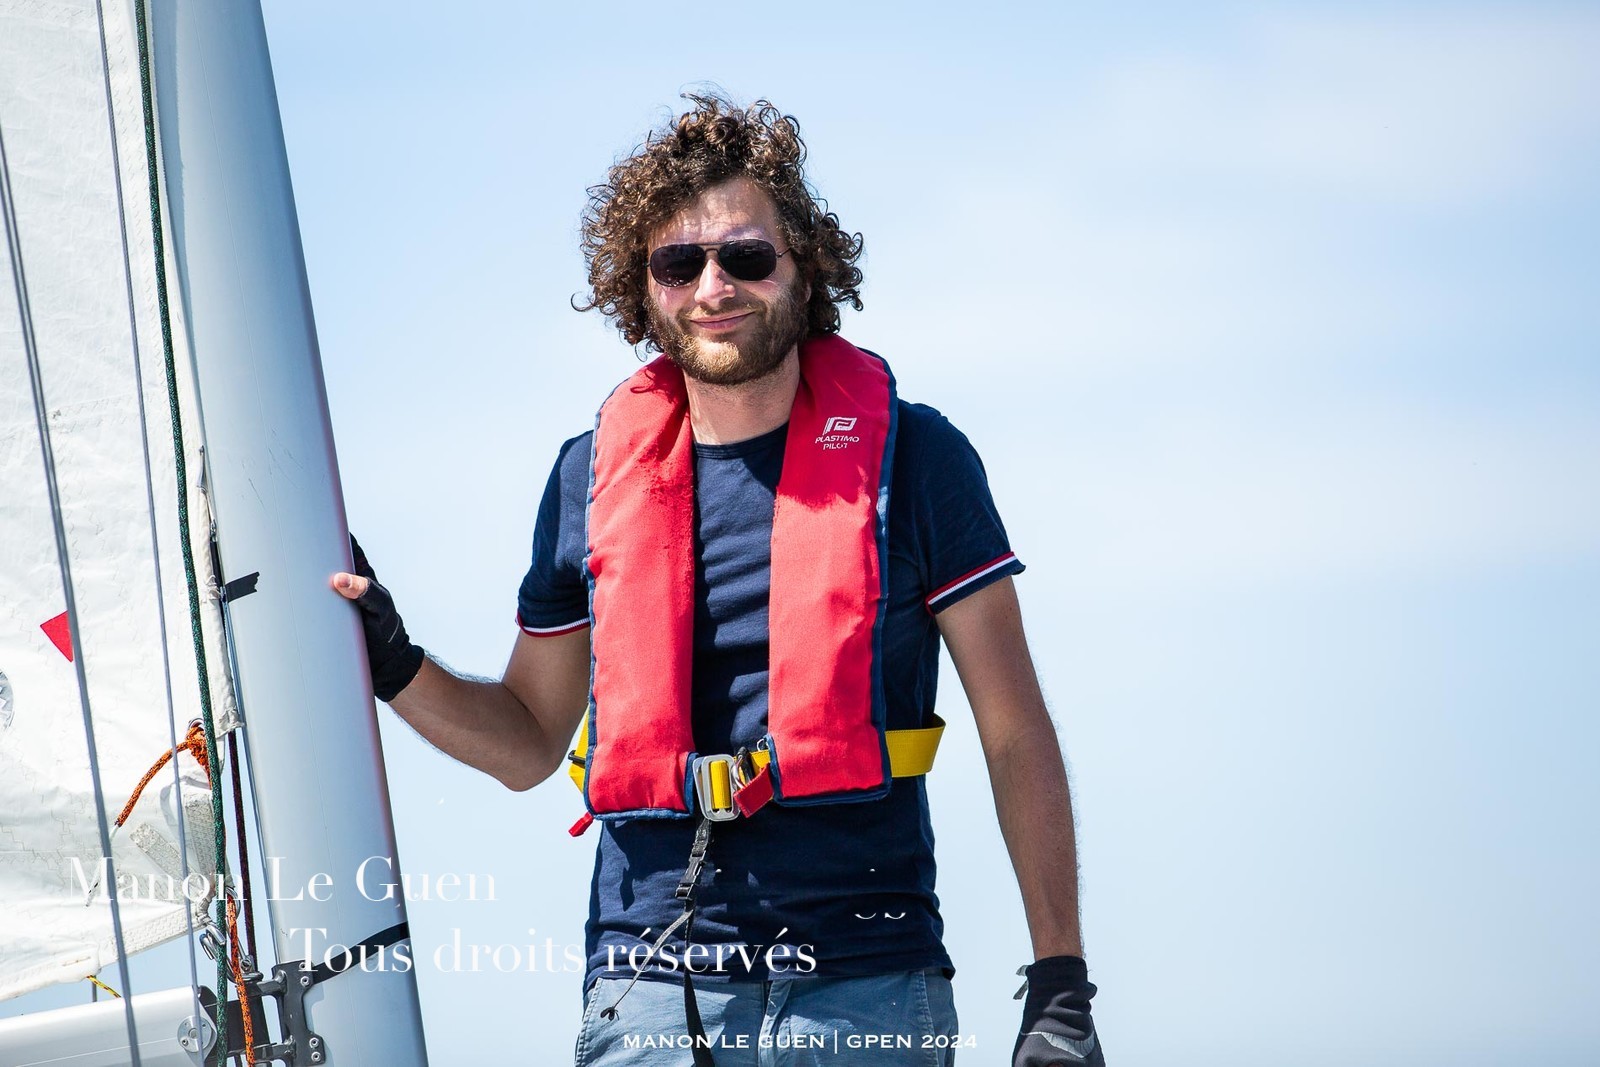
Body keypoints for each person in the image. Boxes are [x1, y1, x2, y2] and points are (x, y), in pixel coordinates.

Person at [333, 94, 1104, 1067]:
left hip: (865, 981)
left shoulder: (919, 460)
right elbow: (528, 742)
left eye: (746, 256)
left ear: (804, 267)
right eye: (678, 263)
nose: (713, 287)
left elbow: (1014, 727)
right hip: (648, 987)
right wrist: (394, 663)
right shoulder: (585, 478)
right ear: (642, 285)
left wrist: (1060, 980)